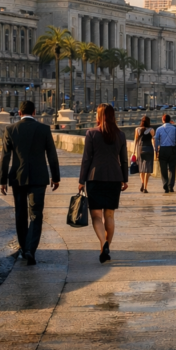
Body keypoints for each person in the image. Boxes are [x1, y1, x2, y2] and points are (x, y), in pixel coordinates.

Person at [0, 100, 60, 266]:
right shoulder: (44, 129)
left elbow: (5, 157)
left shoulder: (10, 129)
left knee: (20, 213)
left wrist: (3, 180)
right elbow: (52, 155)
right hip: (39, 178)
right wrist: (56, 177)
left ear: (19, 113)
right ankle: (30, 250)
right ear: (34, 113)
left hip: (17, 177)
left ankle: (24, 247)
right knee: (36, 213)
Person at [78, 104, 129, 263]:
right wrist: (125, 179)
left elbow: (86, 159)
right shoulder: (120, 135)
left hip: (95, 178)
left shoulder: (91, 133)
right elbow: (124, 160)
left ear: (98, 117)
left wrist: (81, 181)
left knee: (96, 215)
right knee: (110, 215)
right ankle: (105, 249)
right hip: (114, 178)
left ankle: (103, 242)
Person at [155, 114, 176, 193]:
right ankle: (171, 185)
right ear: (170, 120)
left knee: (163, 168)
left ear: (163, 120)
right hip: (172, 149)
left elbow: (156, 140)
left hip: (162, 149)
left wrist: (156, 150)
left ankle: (165, 184)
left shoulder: (159, 129)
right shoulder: (174, 129)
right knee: (172, 168)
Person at [133, 116, 156, 193]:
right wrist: (155, 150)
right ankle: (145, 187)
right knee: (147, 169)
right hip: (149, 149)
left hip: (140, 149)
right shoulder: (151, 130)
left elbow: (135, 141)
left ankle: (142, 182)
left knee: (141, 168)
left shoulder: (137, 129)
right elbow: (153, 141)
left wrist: (134, 152)